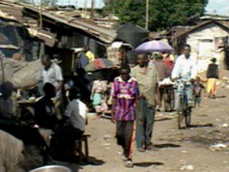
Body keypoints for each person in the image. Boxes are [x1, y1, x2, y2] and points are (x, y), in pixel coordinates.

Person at [112, 65, 139, 168]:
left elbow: (136, 98)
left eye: (126, 74)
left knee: (129, 136)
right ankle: (124, 149)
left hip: (130, 112)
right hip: (119, 111)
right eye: (122, 74)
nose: (124, 76)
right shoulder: (116, 81)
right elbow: (114, 97)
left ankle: (128, 157)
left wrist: (139, 114)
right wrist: (112, 112)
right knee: (119, 135)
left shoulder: (133, 82)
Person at [131, 53, 158, 151]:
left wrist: (158, 97)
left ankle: (148, 142)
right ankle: (140, 144)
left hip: (151, 99)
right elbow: (132, 87)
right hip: (139, 100)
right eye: (138, 60)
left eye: (141, 59)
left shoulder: (152, 69)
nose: (139, 61)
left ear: (146, 60)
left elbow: (156, 84)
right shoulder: (134, 71)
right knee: (140, 121)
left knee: (150, 121)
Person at [171, 44, 197, 125]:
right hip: (180, 78)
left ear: (190, 51)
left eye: (188, 50)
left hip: (189, 79)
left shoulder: (192, 59)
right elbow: (176, 68)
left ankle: (189, 103)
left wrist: (193, 77)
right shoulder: (179, 59)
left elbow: (194, 69)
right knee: (178, 92)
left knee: (188, 90)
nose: (186, 52)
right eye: (185, 50)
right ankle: (178, 108)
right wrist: (174, 76)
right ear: (183, 51)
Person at [59, 88, 88, 160]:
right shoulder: (83, 105)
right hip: (82, 128)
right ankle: (74, 151)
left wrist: (59, 123)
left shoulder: (71, 104)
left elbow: (65, 117)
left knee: (59, 134)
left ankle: (67, 154)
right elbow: (86, 121)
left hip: (76, 130)